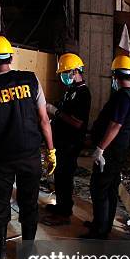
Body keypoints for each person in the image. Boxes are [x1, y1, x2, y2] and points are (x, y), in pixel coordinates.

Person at [0, 36, 56, 259]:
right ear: (10, 57)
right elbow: (44, 120)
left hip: (0, 159)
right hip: (30, 155)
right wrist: (51, 150)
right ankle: (27, 252)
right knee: (29, 204)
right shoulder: (31, 79)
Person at [83, 55, 130, 239]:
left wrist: (100, 149)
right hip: (120, 150)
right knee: (110, 188)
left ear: (115, 75)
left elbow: (116, 125)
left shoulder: (123, 96)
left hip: (111, 150)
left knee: (99, 188)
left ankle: (99, 231)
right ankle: (103, 225)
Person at [45, 53, 91, 224]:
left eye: (66, 73)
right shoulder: (71, 90)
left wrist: (55, 111)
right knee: (59, 175)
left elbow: (77, 122)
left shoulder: (83, 94)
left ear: (75, 71)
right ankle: (60, 205)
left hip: (71, 143)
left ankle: (65, 213)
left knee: (65, 177)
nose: (63, 76)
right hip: (62, 141)